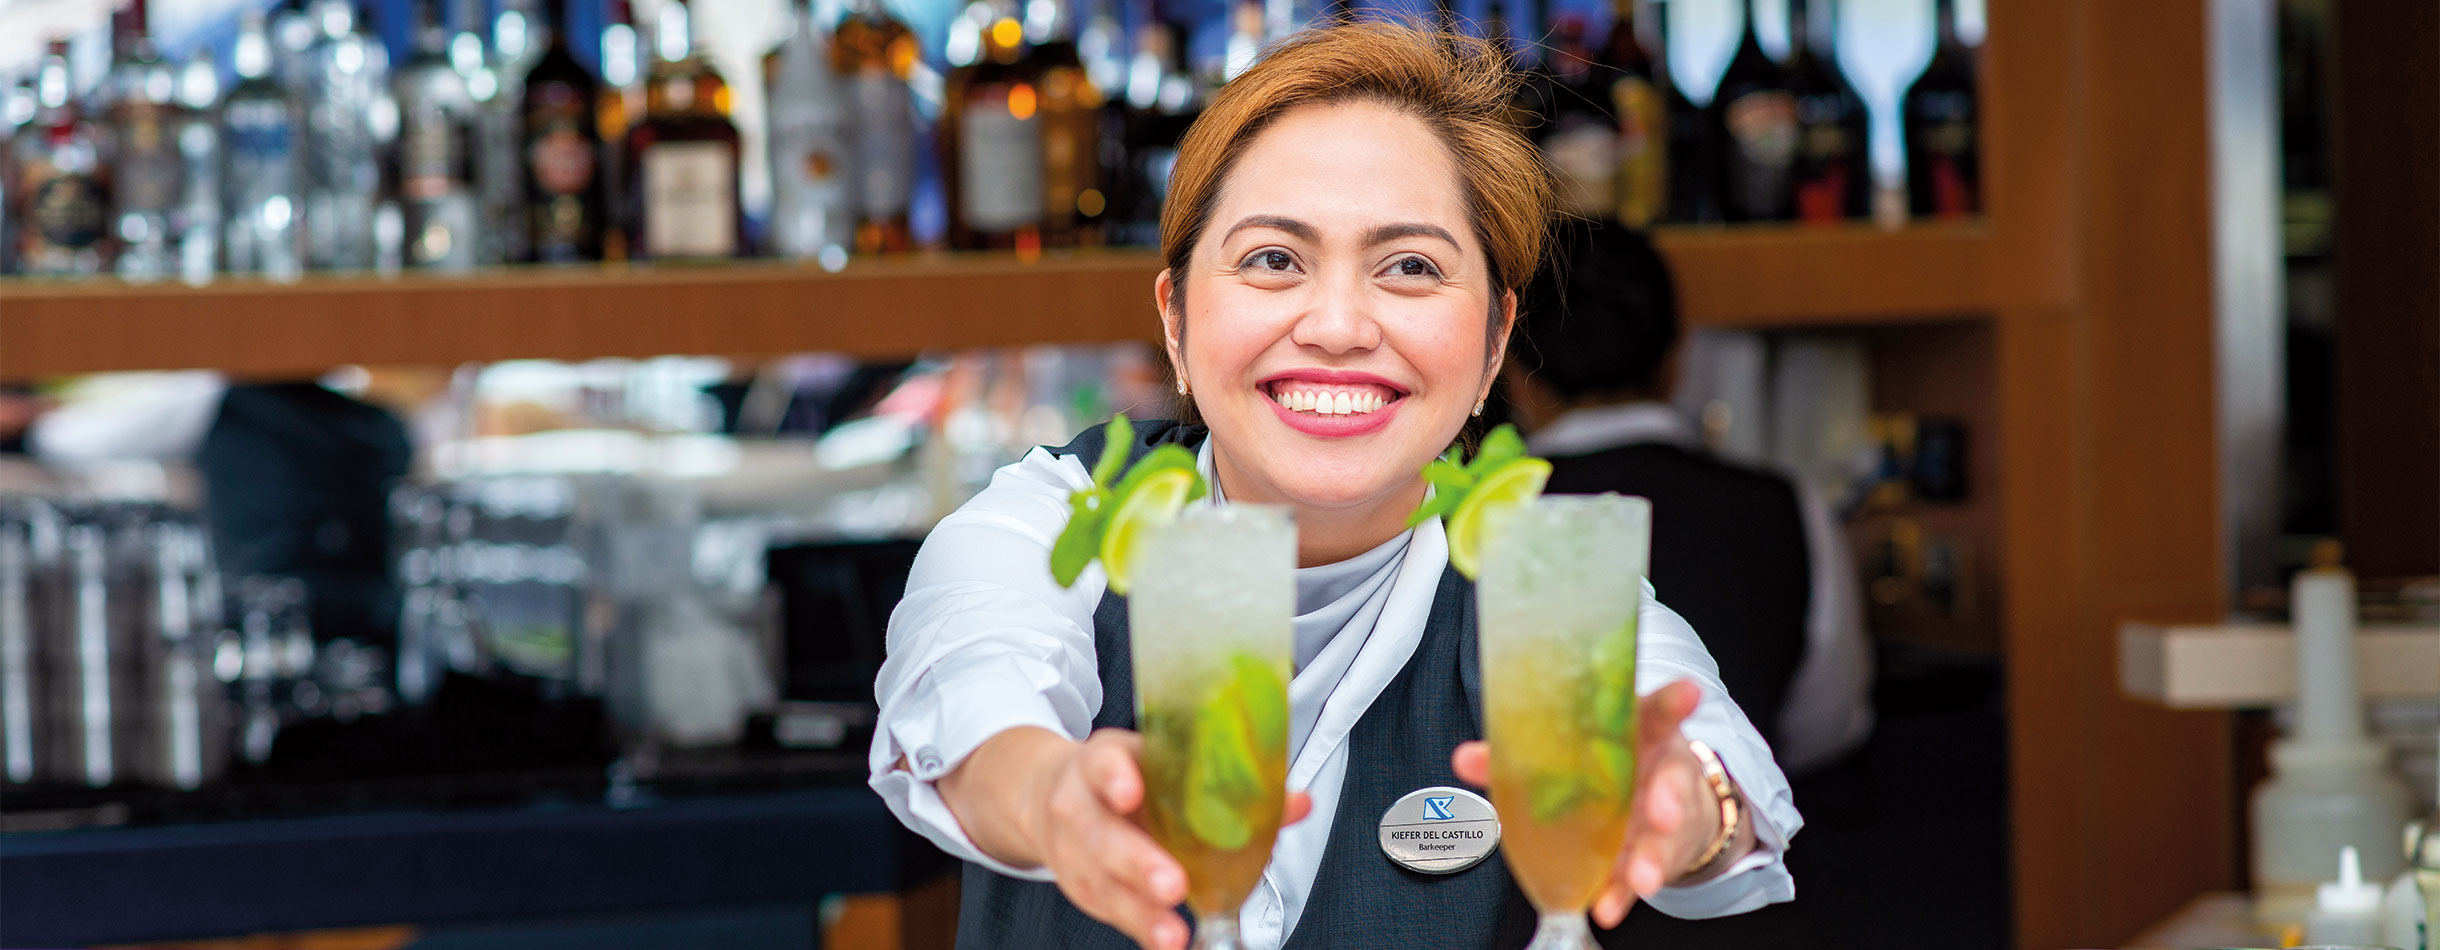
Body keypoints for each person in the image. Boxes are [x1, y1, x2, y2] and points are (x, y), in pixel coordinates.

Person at [870, 22, 1800, 950]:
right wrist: (1047, 793)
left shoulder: (1535, 576)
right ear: (1177, 320)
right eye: (1274, 259)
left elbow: (1705, 753)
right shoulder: (1052, 520)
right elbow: (967, 683)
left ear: (1492, 347)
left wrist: (1686, 803)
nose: (1341, 324)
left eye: (1411, 267)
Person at [1505, 220, 1873, 782]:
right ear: (1679, 356)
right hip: (1739, 837)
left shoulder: (1481, 523)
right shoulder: (1782, 505)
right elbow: (1828, 724)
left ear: (1512, 370)